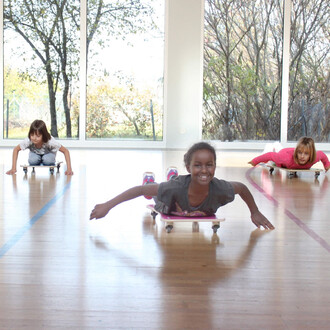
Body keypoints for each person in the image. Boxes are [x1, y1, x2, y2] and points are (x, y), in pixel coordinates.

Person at [90, 142, 274, 230]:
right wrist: (107, 205)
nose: (204, 170)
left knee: (169, 184)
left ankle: (170, 176)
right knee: (154, 191)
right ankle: (151, 179)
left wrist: (254, 211)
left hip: (177, 185)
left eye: (209, 165)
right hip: (167, 201)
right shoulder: (174, 189)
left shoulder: (220, 188)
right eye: (197, 165)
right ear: (188, 167)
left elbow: (241, 187)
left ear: (215, 166)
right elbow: (139, 190)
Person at [6, 119, 74, 175]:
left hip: (49, 153)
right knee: (32, 161)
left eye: (38, 136)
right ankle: (38, 158)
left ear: (43, 135)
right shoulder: (28, 140)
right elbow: (16, 149)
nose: (34, 138)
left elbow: (65, 151)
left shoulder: (50, 141)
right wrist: (13, 168)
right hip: (35, 153)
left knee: (47, 160)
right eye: (32, 135)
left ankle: (45, 159)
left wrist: (69, 169)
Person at [248, 136, 330, 171]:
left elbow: (322, 155)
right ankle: (272, 145)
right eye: (300, 153)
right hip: (284, 152)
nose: (302, 156)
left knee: (279, 149)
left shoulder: (314, 158)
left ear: (311, 154)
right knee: (274, 156)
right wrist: (255, 161)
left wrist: (327, 165)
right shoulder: (285, 159)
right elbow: (270, 155)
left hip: (289, 152)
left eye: (306, 154)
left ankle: (277, 145)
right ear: (297, 152)